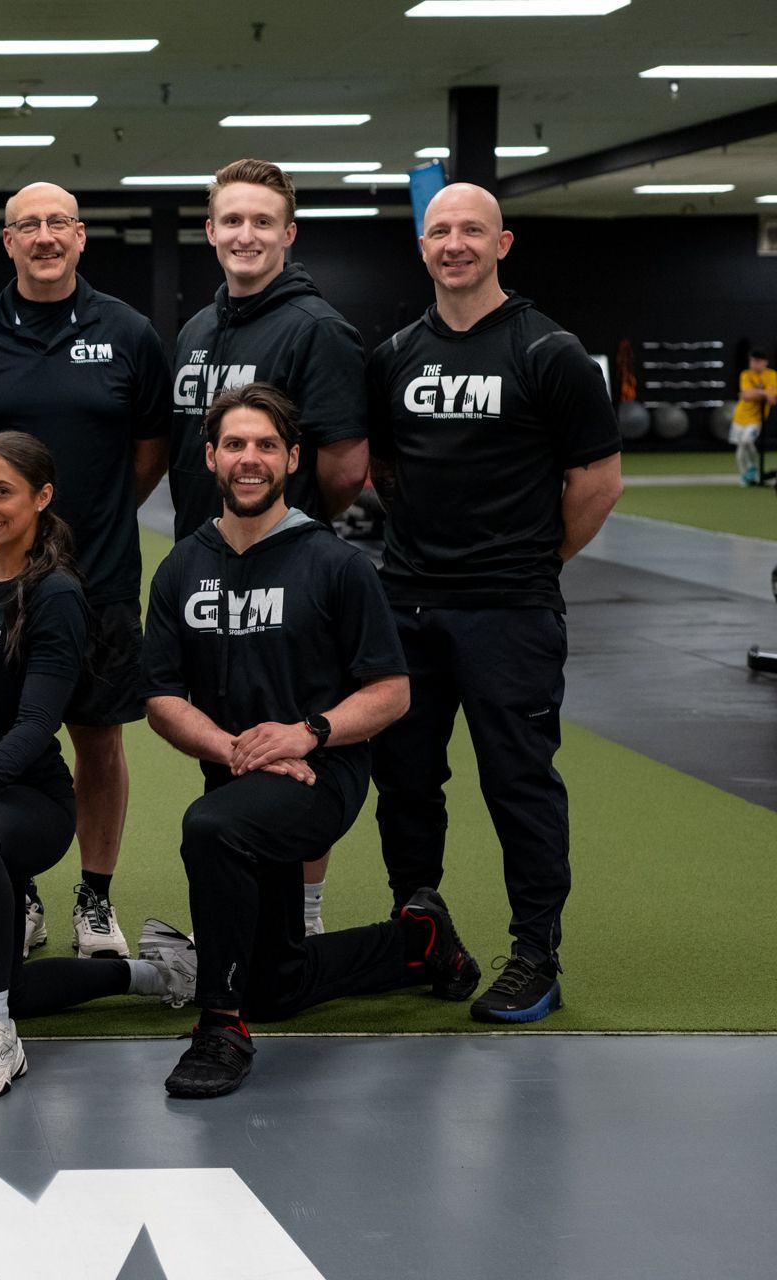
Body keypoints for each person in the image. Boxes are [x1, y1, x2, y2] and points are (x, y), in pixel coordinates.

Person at [142, 383, 480, 1099]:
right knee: (278, 982)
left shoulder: (335, 564)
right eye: (234, 444)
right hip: (240, 775)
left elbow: (393, 692)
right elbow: (163, 699)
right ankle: (420, 942)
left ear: (292, 458)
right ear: (210, 457)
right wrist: (235, 748)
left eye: (266, 445)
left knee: (209, 828)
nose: (249, 459)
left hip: (322, 778)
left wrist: (306, 734)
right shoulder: (182, 568)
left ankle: (221, 1026)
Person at [367, 182, 623, 1025]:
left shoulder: (548, 351)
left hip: (509, 609)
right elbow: (388, 469)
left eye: (471, 230)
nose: (454, 244)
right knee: (405, 778)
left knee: (518, 782)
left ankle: (535, 954)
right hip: (407, 607)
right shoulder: (396, 352)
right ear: (422, 247)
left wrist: (533, 560)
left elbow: (597, 481)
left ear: (502, 243)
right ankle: (422, 924)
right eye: (439, 231)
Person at [0, 181, 172, 961]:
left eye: (58, 222)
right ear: (7, 242)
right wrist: (5, 525)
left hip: (98, 579)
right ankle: (19, 892)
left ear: (80, 236)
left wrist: (75, 527)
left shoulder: (129, 333)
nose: (43, 236)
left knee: (98, 740)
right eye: (27, 225)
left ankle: (94, 902)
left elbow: (148, 453)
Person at [0, 431, 193, 1101]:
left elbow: (39, 721)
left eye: (2, 492)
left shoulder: (58, 596)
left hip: (30, 804)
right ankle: (156, 974)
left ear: (42, 497)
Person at [170, 159, 370, 939]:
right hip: (209, 570)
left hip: (289, 578)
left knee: (291, 754)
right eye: (231, 220)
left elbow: (345, 465)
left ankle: (304, 922)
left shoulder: (316, 328)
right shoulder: (197, 328)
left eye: (262, 221)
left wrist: (292, 535)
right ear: (211, 231)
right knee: (226, 744)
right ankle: (253, 912)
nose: (244, 234)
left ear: (287, 234)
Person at [731, 347, 774, 485]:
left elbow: (772, 399)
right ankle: (746, 475)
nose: (754, 364)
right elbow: (747, 396)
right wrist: (763, 393)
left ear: (765, 362)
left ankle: (752, 469)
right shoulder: (745, 374)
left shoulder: (772, 375)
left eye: (757, 361)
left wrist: (754, 393)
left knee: (747, 441)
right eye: (752, 361)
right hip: (740, 416)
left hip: (756, 418)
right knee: (740, 448)